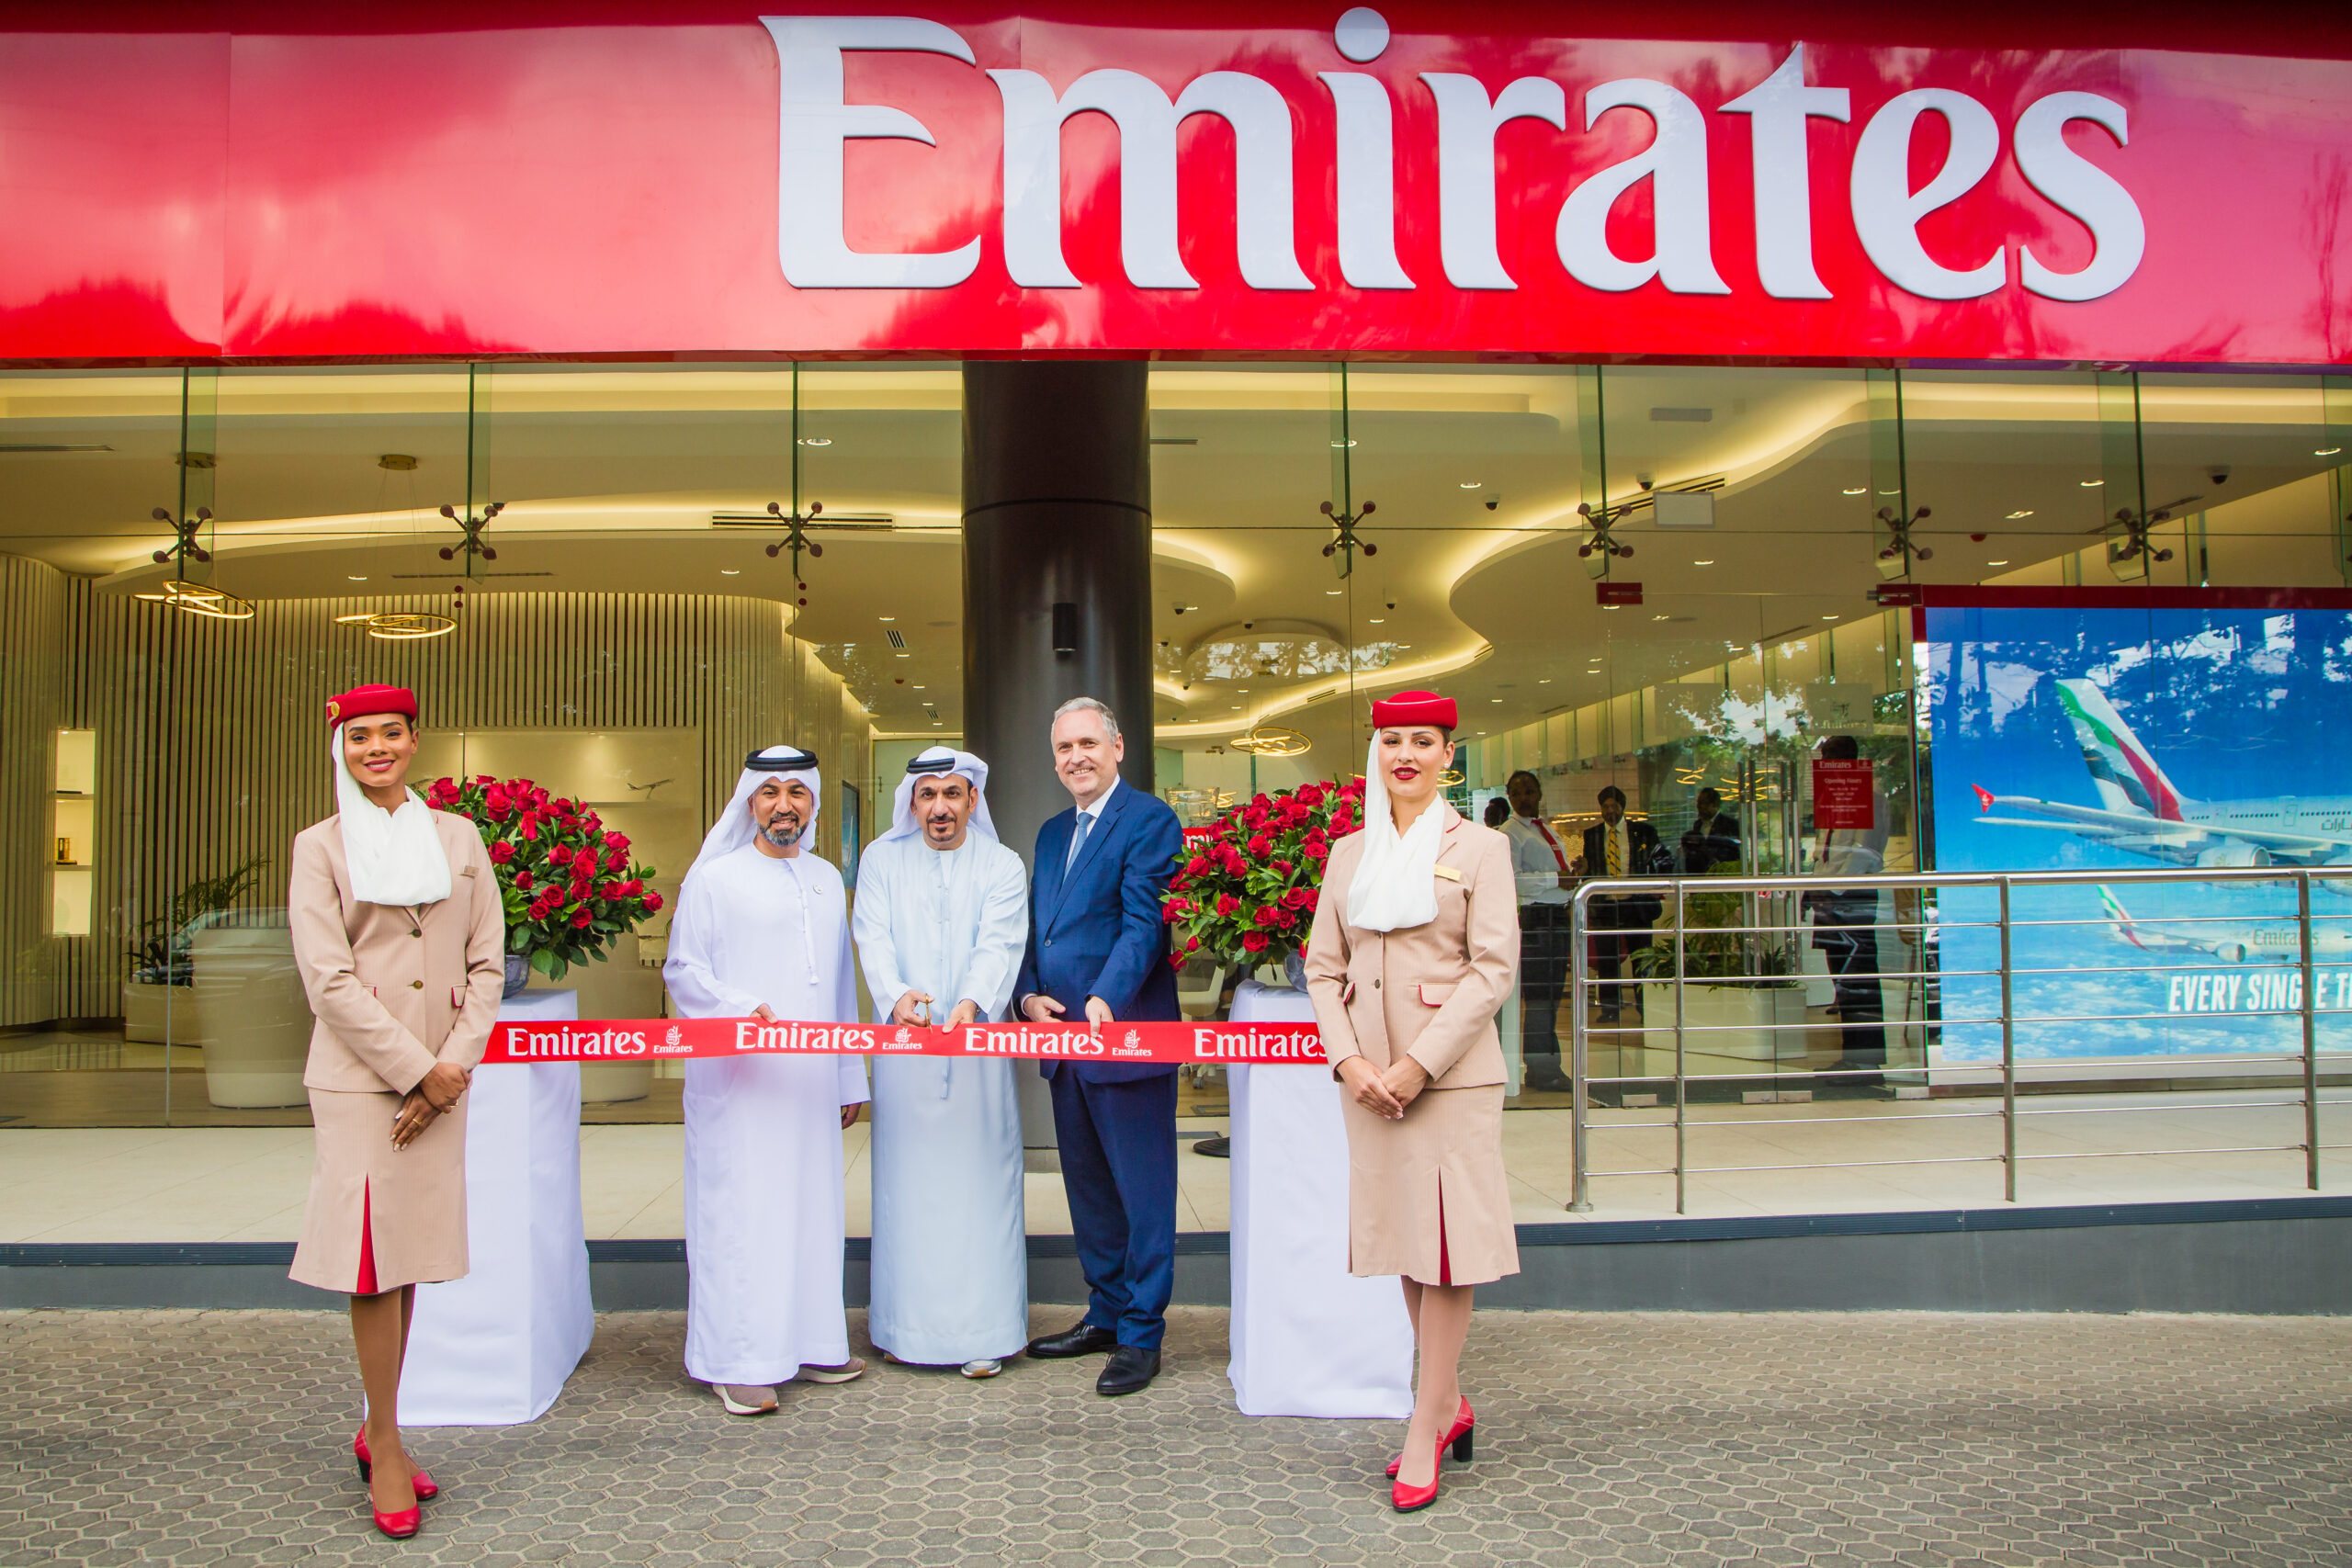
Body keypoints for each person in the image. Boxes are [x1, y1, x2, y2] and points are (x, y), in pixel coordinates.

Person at [287, 684, 505, 1540]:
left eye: (390, 733)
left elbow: (487, 962)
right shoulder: (320, 846)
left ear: (415, 741)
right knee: (370, 1262)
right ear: (339, 747)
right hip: (359, 1081)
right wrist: (418, 1071)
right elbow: (327, 978)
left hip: (444, 1074)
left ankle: (379, 1422)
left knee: (406, 1258)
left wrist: (451, 1067)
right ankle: (384, 1441)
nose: (375, 747)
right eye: (359, 736)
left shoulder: (458, 837)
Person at [1303, 689, 1519, 1515]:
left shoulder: (1483, 847)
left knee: (1449, 1251)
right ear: (1377, 752)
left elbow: (1492, 969)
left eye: (1423, 741)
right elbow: (1323, 969)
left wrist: (1418, 1064)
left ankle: (1424, 1426)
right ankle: (1449, 1400)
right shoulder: (1349, 852)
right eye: (1393, 740)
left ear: (1448, 756)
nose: (1406, 755)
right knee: (1406, 1242)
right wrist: (1349, 1058)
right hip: (1370, 1081)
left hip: (1450, 1078)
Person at [662, 746, 870, 1416]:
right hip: (739, 1084)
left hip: (809, 1085)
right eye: (770, 792)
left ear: (812, 803)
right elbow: (683, 970)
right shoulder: (714, 879)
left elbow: (839, 984)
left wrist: (848, 1075)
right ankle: (737, 1360)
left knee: (810, 1210)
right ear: (750, 802)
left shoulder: (825, 878)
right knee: (744, 1216)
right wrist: (739, 1007)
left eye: (797, 792)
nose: (785, 805)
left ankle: (810, 1343)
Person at [1013, 696, 1185, 1397]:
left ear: (1117, 747)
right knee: (1088, 1191)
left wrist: (1105, 997)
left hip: (1126, 1036)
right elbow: (1038, 929)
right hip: (1063, 1043)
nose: (1076, 757)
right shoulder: (1053, 832)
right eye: (1064, 747)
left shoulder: (1150, 820)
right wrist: (1027, 996)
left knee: (1143, 1193)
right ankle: (1108, 1312)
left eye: (1088, 742)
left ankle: (1142, 1332)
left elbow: (1146, 924)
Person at [853, 747, 1031, 1379]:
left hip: (977, 1053)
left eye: (952, 793)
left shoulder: (1002, 864)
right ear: (912, 802)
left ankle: (985, 1331)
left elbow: (1000, 943)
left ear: (972, 800)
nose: (939, 807)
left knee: (981, 1187)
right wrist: (896, 995)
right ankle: (903, 1329)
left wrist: (972, 1003)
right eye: (927, 794)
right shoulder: (880, 860)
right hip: (904, 1054)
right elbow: (872, 936)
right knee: (908, 1191)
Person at [1807, 735, 1894, 1089]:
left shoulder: (1870, 797)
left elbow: (1866, 853)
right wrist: (1814, 887)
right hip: (1830, 899)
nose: (1824, 764)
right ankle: (1852, 1057)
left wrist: (1833, 890)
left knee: (1859, 979)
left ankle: (1866, 1059)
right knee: (1841, 981)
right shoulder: (1833, 799)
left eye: (1829, 757)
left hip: (1850, 899)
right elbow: (1823, 851)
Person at [1499, 770, 1575, 1093]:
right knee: (1541, 998)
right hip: (1537, 919)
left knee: (1552, 997)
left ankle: (1545, 1066)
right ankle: (1542, 1070)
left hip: (1557, 917)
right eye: (1517, 793)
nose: (1524, 798)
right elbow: (1513, 880)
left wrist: (1570, 874)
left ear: (1540, 793)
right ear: (1509, 797)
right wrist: (1556, 879)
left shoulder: (1546, 829)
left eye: (1529, 791)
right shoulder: (1510, 833)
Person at [1576, 785, 1663, 1021]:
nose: (1609, 811)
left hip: (1636, 906)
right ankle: (1610, 1010)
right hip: (1606, 907)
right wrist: (1583, 870)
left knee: (1641, 959)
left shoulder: (1643, 832)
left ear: (1623, 807)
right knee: (1607, 961)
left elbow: (1658, 862)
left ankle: (1646, 1009)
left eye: (1614, 806)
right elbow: (1591, 870)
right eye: (1605, 807)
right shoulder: (1592, 835)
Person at [1680, 787, 1743, 875]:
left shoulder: (1730, 824)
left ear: (1715, 805)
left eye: (1703, 803)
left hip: (1722, 874)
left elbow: (1735, 852)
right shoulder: (1698, 824)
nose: (1699, 807)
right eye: (1698, 803)